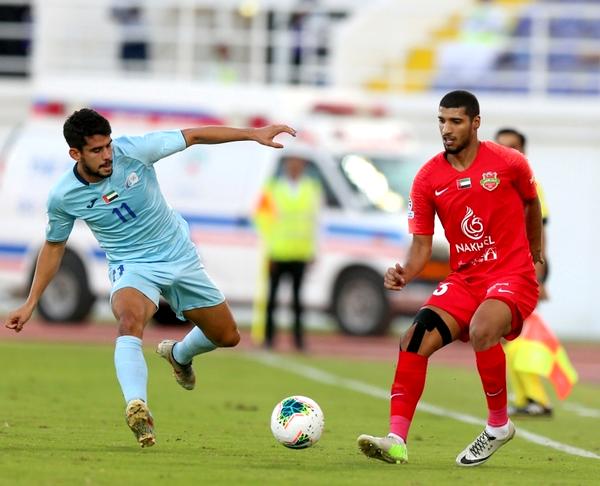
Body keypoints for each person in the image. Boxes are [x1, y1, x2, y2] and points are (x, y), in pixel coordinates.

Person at [3, 108, 296, 447]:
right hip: (132, 265)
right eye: (96, 150)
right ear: (75, 154)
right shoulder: (63, 196)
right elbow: (54, 247)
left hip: (179, 255)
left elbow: (194, 135)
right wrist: (31, 302)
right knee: (129, 320)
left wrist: (252, 134)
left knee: (227, 335)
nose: (107, 155)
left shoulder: (135, 152)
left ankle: (180, 355)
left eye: (108, 146)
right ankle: (136, 405)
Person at [357, 90, 543, 466]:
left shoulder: (509, 163)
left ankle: (497, 425)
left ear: (476, 123)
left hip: (511, 274)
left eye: (455, 121)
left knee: (482, 328)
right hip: (466, 279)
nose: (446, 129)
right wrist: (405, 272)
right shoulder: (427, 178)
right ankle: (396, 439)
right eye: (441, 121)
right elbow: (422, 247)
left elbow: (532, 203)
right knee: (414, 338)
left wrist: (535, 253)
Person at [495, 127, 578, 416]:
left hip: (525, 265)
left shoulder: (529, 184)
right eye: (503, 146)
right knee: (506, 334)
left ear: (524, 152)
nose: (509, 152)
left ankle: (537, 398)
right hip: (501, 265)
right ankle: (524, 397)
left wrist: (538, 271)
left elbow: (539, 229)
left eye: (514, 147)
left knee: (517, 332)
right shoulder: (491, 183)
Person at [254, 156, 321, 350]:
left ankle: (299, 342)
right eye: (292, 163)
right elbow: (261, 219)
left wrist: (314, 251)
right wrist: (268, 247)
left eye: (298, 163)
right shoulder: (273, 188)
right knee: (272, 300)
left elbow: (317, 221)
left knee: (298, 301)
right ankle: (268, 339)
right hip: (277, 251)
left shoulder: (312, 189)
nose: (295, 167)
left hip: (300, 252)